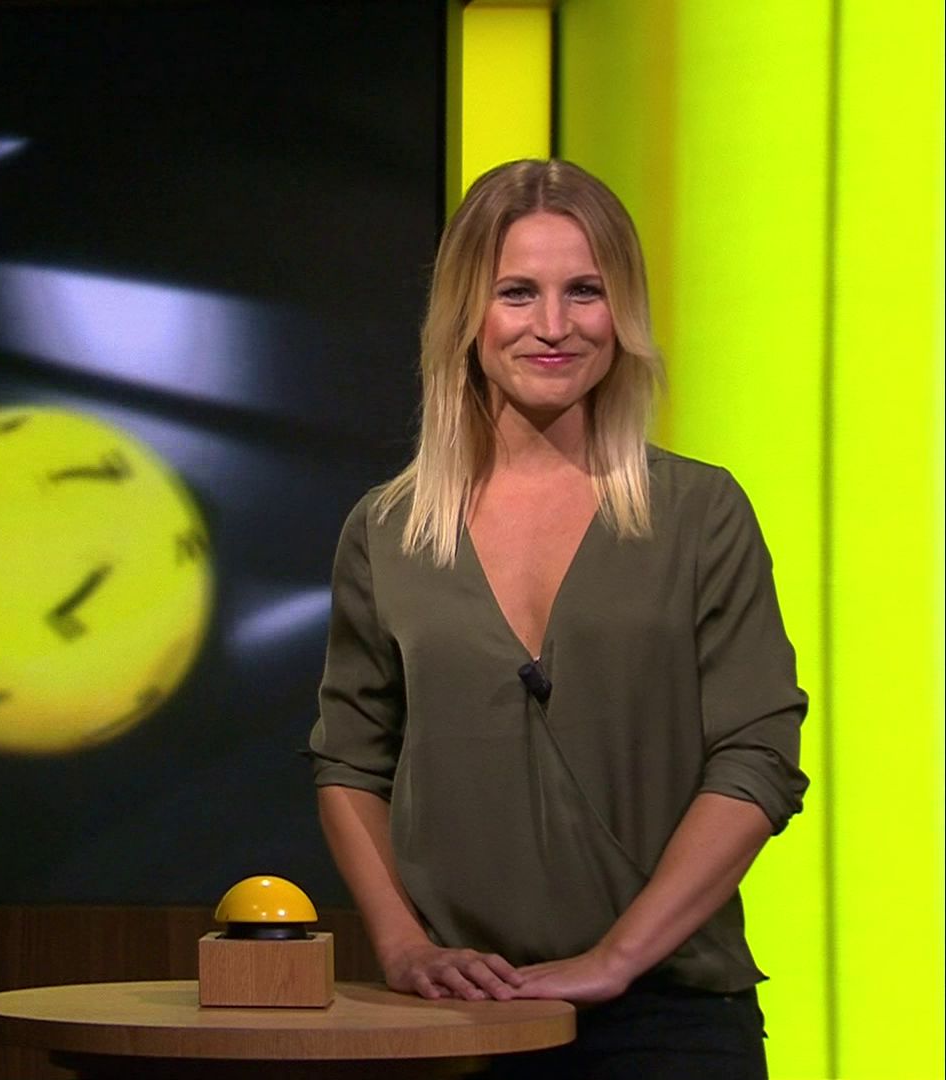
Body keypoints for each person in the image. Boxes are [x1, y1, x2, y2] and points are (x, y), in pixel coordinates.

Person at [308, 159, 808, 1080]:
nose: (553, 325)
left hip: (669, 1016)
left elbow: (758, 757)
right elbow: (349, 762)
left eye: (585, 291)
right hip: (455, 1020)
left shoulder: (700, 513)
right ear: (467, 314)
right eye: (517, 293)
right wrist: (405, 947)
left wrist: (616, 958)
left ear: (624, 312)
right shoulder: (388, 530)